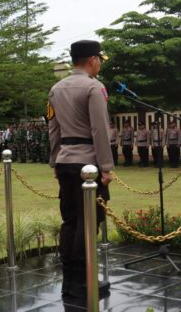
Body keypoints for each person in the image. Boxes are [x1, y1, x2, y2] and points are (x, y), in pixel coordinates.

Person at [47, 39, 112, 300]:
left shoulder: (55, 89)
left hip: (65, 161)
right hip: (88, 164)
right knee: (89, 221)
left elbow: (53, 129)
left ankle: (70, 280)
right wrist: (106, 167)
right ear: (92, 60)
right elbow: (99, 130)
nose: (99, 64)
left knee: (70, 220)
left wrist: (55, 160)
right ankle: (84, 279)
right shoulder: (94, 88)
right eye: (98, 60)